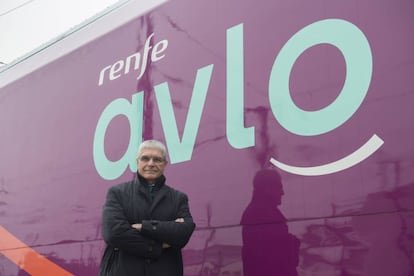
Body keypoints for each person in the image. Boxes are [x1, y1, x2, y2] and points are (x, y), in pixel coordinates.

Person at [99, 140, 196, 276]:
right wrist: (157, 246)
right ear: (137, 162)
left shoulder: (179, 198)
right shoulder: (117, 193)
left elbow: (184, 232)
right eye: (145, 158)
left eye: (157, 159)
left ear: (165, 164)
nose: (151, 163)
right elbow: (113, 233)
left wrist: (143, 227)